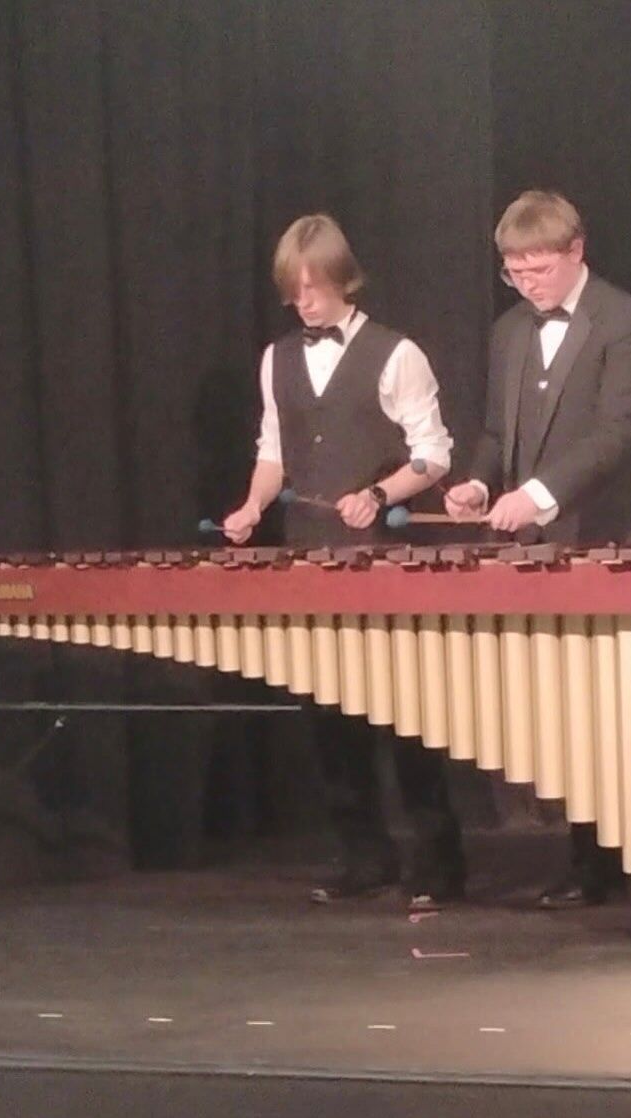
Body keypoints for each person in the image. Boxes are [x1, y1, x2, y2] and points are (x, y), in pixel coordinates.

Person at [445, 190, 631, 907]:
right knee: (573, 711)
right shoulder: (510, 331)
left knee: (630, 711)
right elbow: (496, 431)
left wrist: (539, 493)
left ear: (577, 250)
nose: (527, 284)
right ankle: (592, 865)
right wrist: (480, 485)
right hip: (545, 545)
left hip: (621, 537)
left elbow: (621, 431)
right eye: (514, 272)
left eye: (539, 269)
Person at [223, 213, 465, 908]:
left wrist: (380, 492)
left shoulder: (398, 354)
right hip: (310, 555)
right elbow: (274, 450)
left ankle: (439, 868)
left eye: (314, 289)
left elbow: (435, 453)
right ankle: (365, 858)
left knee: (409, 719)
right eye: (293, 292)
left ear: (342, 279)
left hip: (387, 561)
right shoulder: (277, 358)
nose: (304, 303)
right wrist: (250, 506)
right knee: (329, 717)